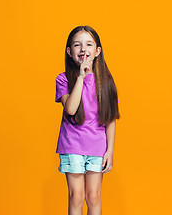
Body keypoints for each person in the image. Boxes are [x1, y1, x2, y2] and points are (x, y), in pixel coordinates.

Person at [55, 25, 120, 215]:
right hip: (72, 145)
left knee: (94, 196)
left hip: (97, 146)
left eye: (89, 44)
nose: (83, 49)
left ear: (97, 51)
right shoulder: (63, 79)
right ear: (69, 51)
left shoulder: (106, 82)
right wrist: (82, 77)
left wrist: (110, 150)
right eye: (77, 45)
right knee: (76, 195)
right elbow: (71, 108)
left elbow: (110, 119)